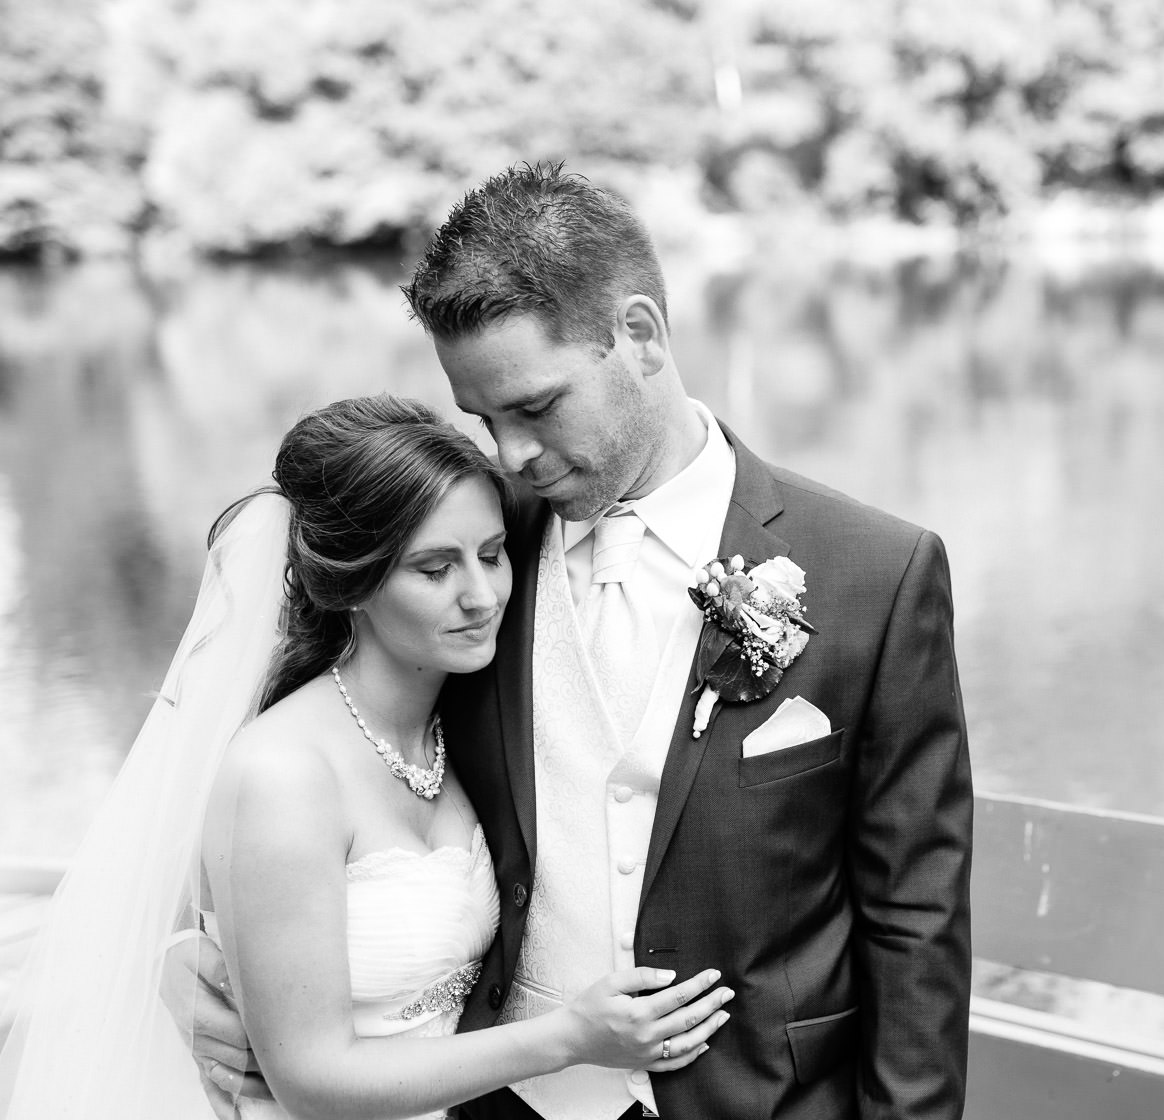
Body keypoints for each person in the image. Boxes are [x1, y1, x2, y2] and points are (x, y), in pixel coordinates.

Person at [190, 163, 974, 1120]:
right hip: (503, 1101)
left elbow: (915, 915)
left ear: (639, 335)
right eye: (485, 419)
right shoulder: (474, 549)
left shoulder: (874, 573)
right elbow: (291, 762)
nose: (511, 453)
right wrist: (198, 967)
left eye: (535, 407)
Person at [0, 396, 732, 1120]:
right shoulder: (284, 775)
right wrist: (568, 1038)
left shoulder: (462, 719)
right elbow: (311, 1080)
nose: (482, 596)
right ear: (353, 582)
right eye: (435, 570)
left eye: (490, 555)